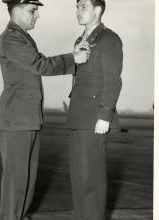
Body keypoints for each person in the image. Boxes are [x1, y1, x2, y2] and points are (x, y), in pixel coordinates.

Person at [0, 0, 88, 219]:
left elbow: (38, 64)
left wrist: (71, 57)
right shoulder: (11, 38)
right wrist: (73, 58)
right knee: (15, 183)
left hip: (26, 120)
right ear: (15, 9)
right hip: (15, 120)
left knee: (26, 180)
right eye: (32, 10)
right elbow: (40, 65)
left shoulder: (22, 38)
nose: (37, 15)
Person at [66, 0, 123, 219]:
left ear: (97, 9)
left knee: (92, 179)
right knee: (78, 178)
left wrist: (105, 115)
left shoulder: (109, 39)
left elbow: (113, 80)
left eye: (83, 7)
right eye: (77, 7)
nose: (78, 11)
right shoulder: (81, 40)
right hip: (78, 116)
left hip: (94, 118)